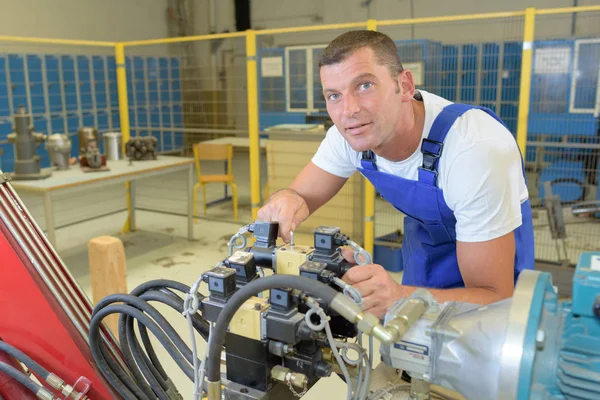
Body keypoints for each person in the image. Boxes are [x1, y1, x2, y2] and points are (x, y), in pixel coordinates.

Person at [257, 30, 534, 318]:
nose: (349, 110)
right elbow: (299, 197)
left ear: (404, 84)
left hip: (491, 283)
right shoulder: (351, 135)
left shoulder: (474, 150)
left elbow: (494, 296)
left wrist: (400, 296)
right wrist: (284, 198)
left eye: (365, 85)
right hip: (425, 257)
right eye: (334, 95)